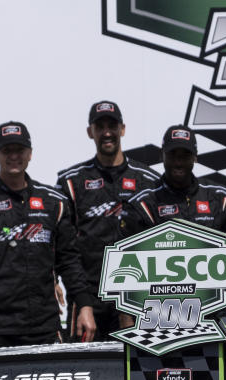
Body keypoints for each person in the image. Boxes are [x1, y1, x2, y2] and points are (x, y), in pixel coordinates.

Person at [0, 121, 96, 348]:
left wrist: (85, 305)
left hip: (45, 324)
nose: (14, 156)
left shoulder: (54, 202)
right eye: (7, 150)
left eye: (19, 150)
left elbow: (69, 260)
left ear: (30, 153)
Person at [121, 124, 226, 337]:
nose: (178, 162)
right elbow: (124, 271)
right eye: (173, 154)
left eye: (185, 155)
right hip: (159, 317)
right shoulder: (143, 203)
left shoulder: (220, 199)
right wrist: (127, 323)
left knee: (218, 367)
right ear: (162, 155)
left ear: (195, 157)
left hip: (212, 313)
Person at [55, 100, 160, 340]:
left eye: (112, 126)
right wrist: (53, 278)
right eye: (99, 126)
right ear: (90, 132)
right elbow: (60, 240)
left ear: (123, 129)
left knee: (139, 368)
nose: (107, 132)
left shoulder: (149, 179)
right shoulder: (71, 181)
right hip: (88, 295)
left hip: (139, 294)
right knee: (83, 369)